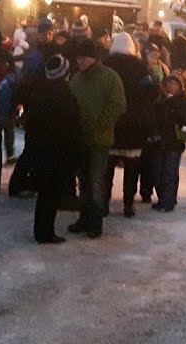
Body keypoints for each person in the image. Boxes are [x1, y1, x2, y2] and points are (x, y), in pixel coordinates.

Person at [66, 38, 125, 238]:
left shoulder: (110, 77)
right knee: (83, 181)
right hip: (79, 139)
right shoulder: (77, 78)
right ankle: (84, 217)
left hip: (99, 140)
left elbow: (117, 105)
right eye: (78, 58)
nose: (80, 61)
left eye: (84, 57)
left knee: (95, 181)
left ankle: (95, 221)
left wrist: (101, 125)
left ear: (93, 57)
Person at [23, 54, 80, 243]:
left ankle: (42, 230)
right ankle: (45, 232)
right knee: (51, 195)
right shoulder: (65, 96)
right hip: (58, 153)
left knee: (44, 194)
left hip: (40, 151)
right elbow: (71, 128)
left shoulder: (39, 93)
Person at [104, 32, 157, 218]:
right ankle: (128, 204)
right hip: (134, 125)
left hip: (111, 123)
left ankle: (103, 202)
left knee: (107, 168)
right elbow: (151, 93)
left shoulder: (105, 65)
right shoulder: (140, 68)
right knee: (132, 168)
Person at [151, 74, 186, 212]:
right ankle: (163, 198)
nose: (171, 86)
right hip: (160, 142)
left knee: (170, 172)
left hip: (174, 142)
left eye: (174, 84)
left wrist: (174, 110)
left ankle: (168, 201)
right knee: (159, 173)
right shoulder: (159, 101)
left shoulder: (183, 102)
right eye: (168, 83)